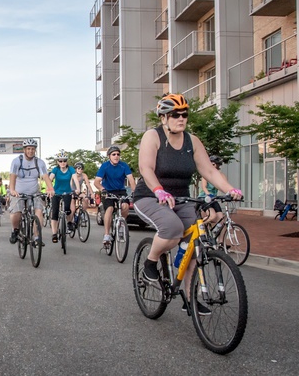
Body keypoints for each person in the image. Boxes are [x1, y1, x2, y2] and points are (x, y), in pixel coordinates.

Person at [133, 93, 242, 315]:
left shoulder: (192, 141)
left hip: (182, 199)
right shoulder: (152, 137)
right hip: (150, 196)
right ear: (163, 118)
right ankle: (151, 263)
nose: (181, 118)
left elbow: (209, 170)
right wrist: (159, 190)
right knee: (172, 228)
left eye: (184, 114)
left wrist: (229, 189)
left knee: (195, 243)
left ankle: (190, 298)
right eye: (175, 115)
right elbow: (146, 169)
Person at [9, 139, 54, 244]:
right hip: (18, 192)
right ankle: (15, 230)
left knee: (39, 212)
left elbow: (45, 176)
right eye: (28, 149)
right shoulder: (17, 161)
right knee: (16, 212)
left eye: (33, 149)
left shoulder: (39, 162)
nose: (30, 151)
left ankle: (37, 237)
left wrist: (50, 188)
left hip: (34, 193)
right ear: (24, 149)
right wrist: (12, 190)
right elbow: (12, 177)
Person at [94, 145, 136, 247]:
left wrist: (134, 190)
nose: (116, 156)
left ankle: (121, 226)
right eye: (113, 154)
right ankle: (107, 234)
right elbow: (96, 182)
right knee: (110, 208)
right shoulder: (105, 166)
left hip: (120, 191)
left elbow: (131, 180)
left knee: (125, 206)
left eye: (118, 154)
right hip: (107, 191)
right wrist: (102, 189)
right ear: (109, 156)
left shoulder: (124, 165)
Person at [49, 150, 80, 243]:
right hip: (56, 193)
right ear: (58, 162)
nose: (62, 163)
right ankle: (54, 234)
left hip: (67, 192)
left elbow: (75, 179)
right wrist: (49, 190)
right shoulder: (55, 169)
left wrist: (78, 189)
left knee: (68, 209)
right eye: (60, 161)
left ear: (67, 161)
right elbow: (50, 179)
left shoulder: (71, 169)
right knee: (55, 212)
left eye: (64, 161)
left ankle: (69, 222)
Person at [198, 155, 226, 234]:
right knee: (212, 216)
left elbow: (224, 185)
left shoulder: (221, 175)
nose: (212, 166)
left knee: (221, 220)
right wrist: (208, 194)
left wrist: (231, 194)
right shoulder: (206, 175)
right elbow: (204, 187)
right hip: (204, 198)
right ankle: (197, 226)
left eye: (214, 164)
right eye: (211, 164)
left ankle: (220, 243)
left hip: (213, 199)